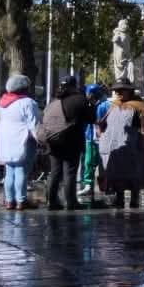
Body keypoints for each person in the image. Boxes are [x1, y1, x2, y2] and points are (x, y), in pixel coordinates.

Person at [37, 77, 92, 210]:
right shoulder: (80, 99)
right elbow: (91, 118)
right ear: (75, 86)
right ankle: (71, 202)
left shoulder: (54, 101)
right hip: (72, 141)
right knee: (70, 172)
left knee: (55, 171)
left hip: (52, 140)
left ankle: (52, 201)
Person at [98, 78, 144, 210]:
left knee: (133, 173)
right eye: (117, 90)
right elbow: (101, 123)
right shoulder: (113, 105)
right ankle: (119, 198)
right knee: (116, 174)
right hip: (114, 147)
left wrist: (142, 142)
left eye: (122, 90)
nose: (118, 92)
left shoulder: (140, 106)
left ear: (130, 91)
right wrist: (102, 134)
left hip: (132, 146)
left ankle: (134, 199)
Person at [0, 75, 40, 210]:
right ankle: (21, 200)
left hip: (6, 142)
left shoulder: (2, 103)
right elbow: (34, 124)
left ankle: (10, 200)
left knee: (9, 171)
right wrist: (41, 140)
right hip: (23, 140)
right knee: (21, 170)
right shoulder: (28, 102)